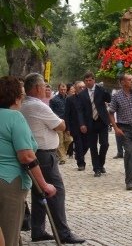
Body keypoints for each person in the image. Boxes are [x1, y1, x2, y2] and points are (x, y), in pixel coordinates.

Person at [21, 73, 85, 244]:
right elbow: (60, 125)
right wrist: (60, 122)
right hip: (44, 153)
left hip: (37, 152)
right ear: (36, 88)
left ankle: (38, 229)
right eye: (43, 86)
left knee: (38, 192)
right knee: (55, 190)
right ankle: (63, 232)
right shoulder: (38, 106)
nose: (45, 88)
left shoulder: (25, 104)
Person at [0, 76, 56, 246]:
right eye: (22, 93)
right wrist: (44, 185)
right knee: (9, 232)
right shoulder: (15, 117)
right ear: (16, 96)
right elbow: (27, 156)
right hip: (9, 182)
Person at [109, 73, 132, 190]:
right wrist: (115, 128)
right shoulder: (117, 96)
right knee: (128, 152)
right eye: (129, 80)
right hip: (125, 128)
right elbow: (111, 112)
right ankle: (128, 181)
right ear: (122, 82)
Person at [78, 71, 111, 177]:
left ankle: (101, 164)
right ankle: (96, 168)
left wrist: (105, 89)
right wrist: (82, 124)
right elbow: (80, 111)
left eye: (90, 80)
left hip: (102, 120)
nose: (88, 82)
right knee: (93, 146)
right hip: (90, 122)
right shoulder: (82, 94)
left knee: (105, 144)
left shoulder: (100, 90)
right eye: (86, 80)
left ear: (94, 80)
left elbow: (108, 99)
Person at [65, 81, 89, 170]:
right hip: (75, 126)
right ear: (75, 88)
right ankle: (81, 163)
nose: (82, 89)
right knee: (78, 144)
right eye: (80, 87)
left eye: (84, 87)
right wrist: (67, 127)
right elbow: (66, 114)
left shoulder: (88, 98)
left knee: (86, 144)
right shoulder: (70, 99)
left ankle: (79, 155)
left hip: (87, 126)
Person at [50, 83, 73, 165]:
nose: (63, 91)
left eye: (64, 89)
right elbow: (51, 112)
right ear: (58, 89)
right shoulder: (53, 100)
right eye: (61, 89)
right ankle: (62, 158)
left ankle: (62, 153)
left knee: (69, 139)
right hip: (58, 122)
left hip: (68, 123)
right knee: (60, 141)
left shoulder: (69, 99)